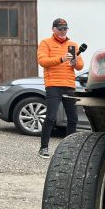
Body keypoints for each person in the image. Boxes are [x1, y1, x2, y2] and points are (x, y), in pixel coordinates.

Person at [36, 17, 84, 158]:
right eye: (60, 28)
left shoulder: (73, 45)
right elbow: (42, 61)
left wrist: (75, 62)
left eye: (65, 28)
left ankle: (68, 149)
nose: (63, 31)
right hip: (53, 85)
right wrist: (61, 59)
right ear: (53, 29)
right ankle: (43, 148)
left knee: (73, 119)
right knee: (51, 117)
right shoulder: (45, 43)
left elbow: (80, 66)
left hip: (69, 85)